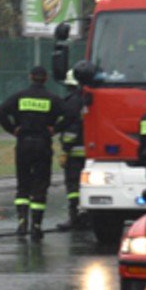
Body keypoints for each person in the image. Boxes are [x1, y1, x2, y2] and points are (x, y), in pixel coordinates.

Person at [0, 66, 65, 240]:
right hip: (42, 145)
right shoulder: (52, 99)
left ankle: (21, 223)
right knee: (40, 185)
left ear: (31, 77)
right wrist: (56, 128)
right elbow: (70, 114)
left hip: (24, 144)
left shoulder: (20, 97)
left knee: (23, 184)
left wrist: (12, 129)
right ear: (46, 78)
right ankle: (36, 226)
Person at [55, 69, 87, 231]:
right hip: (90, 151)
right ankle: (87, 217)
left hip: (75, 152)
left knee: (73, 187)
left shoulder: (73, 101)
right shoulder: (88, 99)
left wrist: (66, 149)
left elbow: (71, 129)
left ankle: (75, 218)